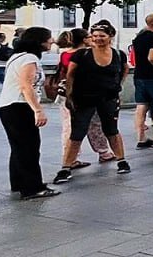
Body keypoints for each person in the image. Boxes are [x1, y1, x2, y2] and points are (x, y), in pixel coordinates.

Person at [53, 21, 131, 184]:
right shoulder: (81, 55)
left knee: (111, 130)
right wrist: (69, 96)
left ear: (110, 36)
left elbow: (124, 69)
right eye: (94, 36)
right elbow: (70, 75)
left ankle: (121, 160)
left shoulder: (118, 54)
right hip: (84, 98)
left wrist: (118, 87)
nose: (97, 39)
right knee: (77, 132)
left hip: (108, 98)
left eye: (102, 36)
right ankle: (65, 167)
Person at [0, 27, 61, 199]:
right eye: (49, 38)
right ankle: (32, 188)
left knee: (19, 147)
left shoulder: (17, 56)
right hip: (19, 106)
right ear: (39, 41)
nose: (52, 41)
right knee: (29, 147)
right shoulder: (29, 58)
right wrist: (38, 110)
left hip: (8, 105)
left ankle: (19, 183)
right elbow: (26, 86)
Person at [55, 28, 116, 169]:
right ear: (84, 40)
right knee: (93, 124)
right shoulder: (84, 54)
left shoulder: (65, 54)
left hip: (66, 93)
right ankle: (102, 151)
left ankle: (70, 156)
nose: (93, 39)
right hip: (84, 94)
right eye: (90, 36)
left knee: (69, 125)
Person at [131, 14, 153, 149]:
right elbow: (152, 57)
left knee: (141, 105)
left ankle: (141, 138)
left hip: (139, 74)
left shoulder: (138, 38)